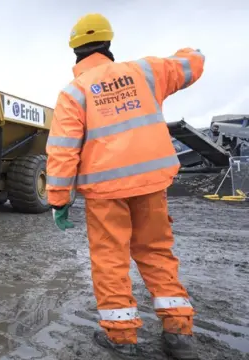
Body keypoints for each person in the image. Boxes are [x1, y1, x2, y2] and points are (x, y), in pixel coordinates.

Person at [45, 13, 205, 359]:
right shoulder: (146, 72)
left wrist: (59, 201)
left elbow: (62, 150)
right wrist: (193, 49)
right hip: (151, 185)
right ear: (109, 42)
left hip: (104, 193)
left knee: (110, 260)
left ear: (75, 50)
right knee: (156, 252)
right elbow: (192, 63)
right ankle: (179, 333)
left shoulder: (74, 92)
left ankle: (122, 337)